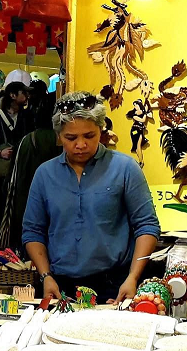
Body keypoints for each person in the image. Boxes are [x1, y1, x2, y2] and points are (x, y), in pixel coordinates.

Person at [23, 91, 160, 303]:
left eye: (89, 136)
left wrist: (133, 277)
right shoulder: (45, 174)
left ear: (101, 130)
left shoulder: (125, 168)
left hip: (114, 284)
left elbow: (147, 226)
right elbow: (33, 231)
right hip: (60, 285)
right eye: (71, 138)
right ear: (59, 136)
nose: (80, 145)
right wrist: (46, 276)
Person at [0, 93, 61, 253]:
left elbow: (10, 180)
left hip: (25, 207)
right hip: (58, 210)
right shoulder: (63, 141)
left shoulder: (26, 141)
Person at [0, 81, 30, 252]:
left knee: (16, 211)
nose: (26, 96)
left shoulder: (27, 117)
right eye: (23, 93)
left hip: (19, 172)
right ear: (13, 96)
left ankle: (14, 249)